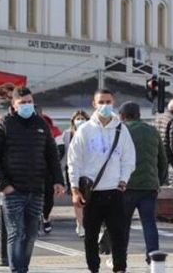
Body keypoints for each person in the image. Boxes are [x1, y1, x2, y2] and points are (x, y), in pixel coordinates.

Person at [0, 86, 65, 273]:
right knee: (16, 233)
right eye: (23, 103)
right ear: (13, 104)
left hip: (36, 189)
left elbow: (52, 155)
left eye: (30, 102)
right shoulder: (2, 124)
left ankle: (23, 268)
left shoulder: (41, 124)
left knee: (30, 235)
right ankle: (17, 270)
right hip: (12, 190)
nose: (27, 106)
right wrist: (3, 185)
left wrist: (58, 180)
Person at [68, 88, 136, 273]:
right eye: (101, 102)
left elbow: (129, 158)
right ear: (94, 104)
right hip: (92, 192)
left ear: (113, 103)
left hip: (115, 191)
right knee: (90, 236)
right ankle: (93, 268)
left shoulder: (121, 129)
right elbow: (74, 161)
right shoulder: (85, 130)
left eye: (108, 102)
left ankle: (120, 268)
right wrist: (75, 189)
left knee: (119, 235)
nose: (105, 106)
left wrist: (123, 180)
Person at [118, 101, 167, 265]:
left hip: (127, 186)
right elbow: (162, 160)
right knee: (149, 224)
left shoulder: (122, 130)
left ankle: (121, 259)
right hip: (149, 187)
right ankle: (153, 258)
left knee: (123, 225)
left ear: (123, 115)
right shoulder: (152, 130)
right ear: (138, 114)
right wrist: (158, 180)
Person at [61, 110, 90, 237]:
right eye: (77, 119)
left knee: (89, 199)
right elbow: (63, 153)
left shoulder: (91, 133)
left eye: (82, 118)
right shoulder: (67, 135)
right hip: (73, 170)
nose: (80, 121)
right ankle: (81, 223)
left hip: (89, 171)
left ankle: (87, 222)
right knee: (77, 199)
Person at [37, 108, 62, 234]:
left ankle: (45, 216)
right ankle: (34, 221)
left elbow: (60, 148)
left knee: (48, 198)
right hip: (29, 170)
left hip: (47, 169)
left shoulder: (50, 127)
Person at [155, 98, 173, 186]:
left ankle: (163, 190)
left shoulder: (160, 116)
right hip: (169, 151)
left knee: (162, 173)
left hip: (159, 148)